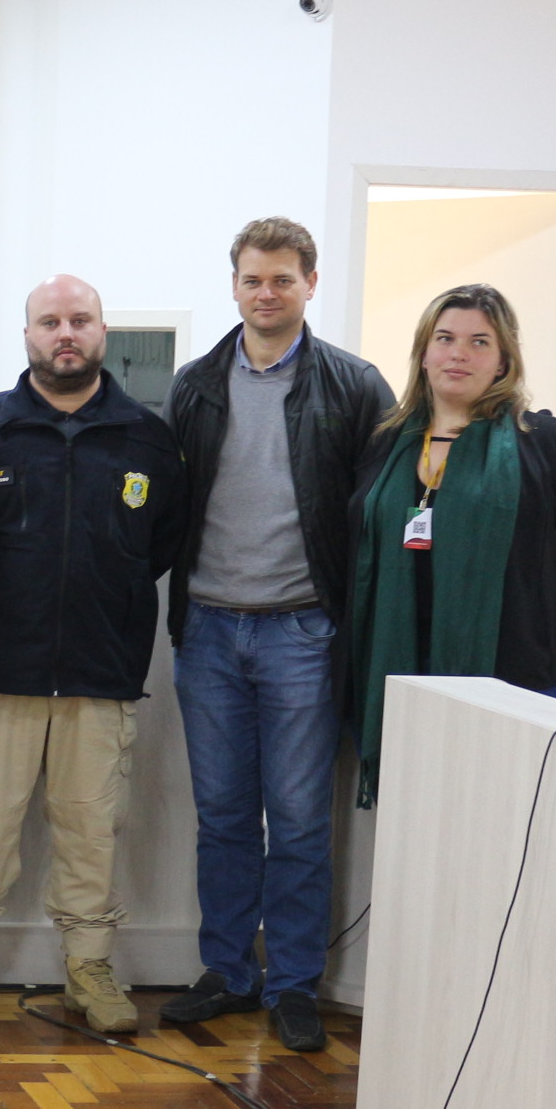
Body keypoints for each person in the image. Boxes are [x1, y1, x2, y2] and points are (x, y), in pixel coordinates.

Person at [0, 276, 187, 1034]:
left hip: (102, 675)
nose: (65, 333)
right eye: (49, 322)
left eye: (80, 320)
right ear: (26, 334)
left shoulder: (147, 438)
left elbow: (161, 545)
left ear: (103, 331)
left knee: (91, 831)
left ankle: (89, 969)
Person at [164, 216, 394, 1055]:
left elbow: (377, 518)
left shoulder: (355, 387)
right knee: (223, 816)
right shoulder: (194, 386)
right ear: (234, 286)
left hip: (303, 631)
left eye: (283, 280)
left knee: (298, 819)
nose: (267, 293)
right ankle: (229, 971)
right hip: (209, 632)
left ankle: (294, 982)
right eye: (254, 279)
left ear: (310, 285)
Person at [349, 283, 556, 797]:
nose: (459, 353)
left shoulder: (544, 443)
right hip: (406, 676)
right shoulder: (385, 444)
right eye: (445, 338)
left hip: (522, 681)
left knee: (520, 837)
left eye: (480, 342)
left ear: (502, 361)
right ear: (424, 353)